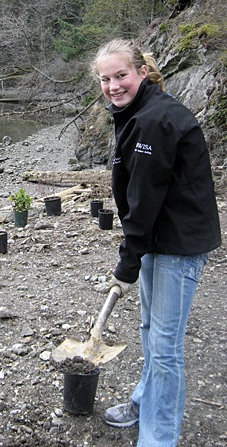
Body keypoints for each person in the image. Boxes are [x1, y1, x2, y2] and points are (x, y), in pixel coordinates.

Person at [91, 38, 221, 446]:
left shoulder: (154, 120)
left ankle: (158, 438)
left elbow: (142, 202)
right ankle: (144, 401)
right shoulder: (137, 111)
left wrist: (127, 263)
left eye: (121, 76)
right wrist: (136, 255)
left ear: (142, 72)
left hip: (177, 246)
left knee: (164, 348)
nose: (113, 86)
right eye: (105, 79)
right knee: (150, 330)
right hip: (158, 239)